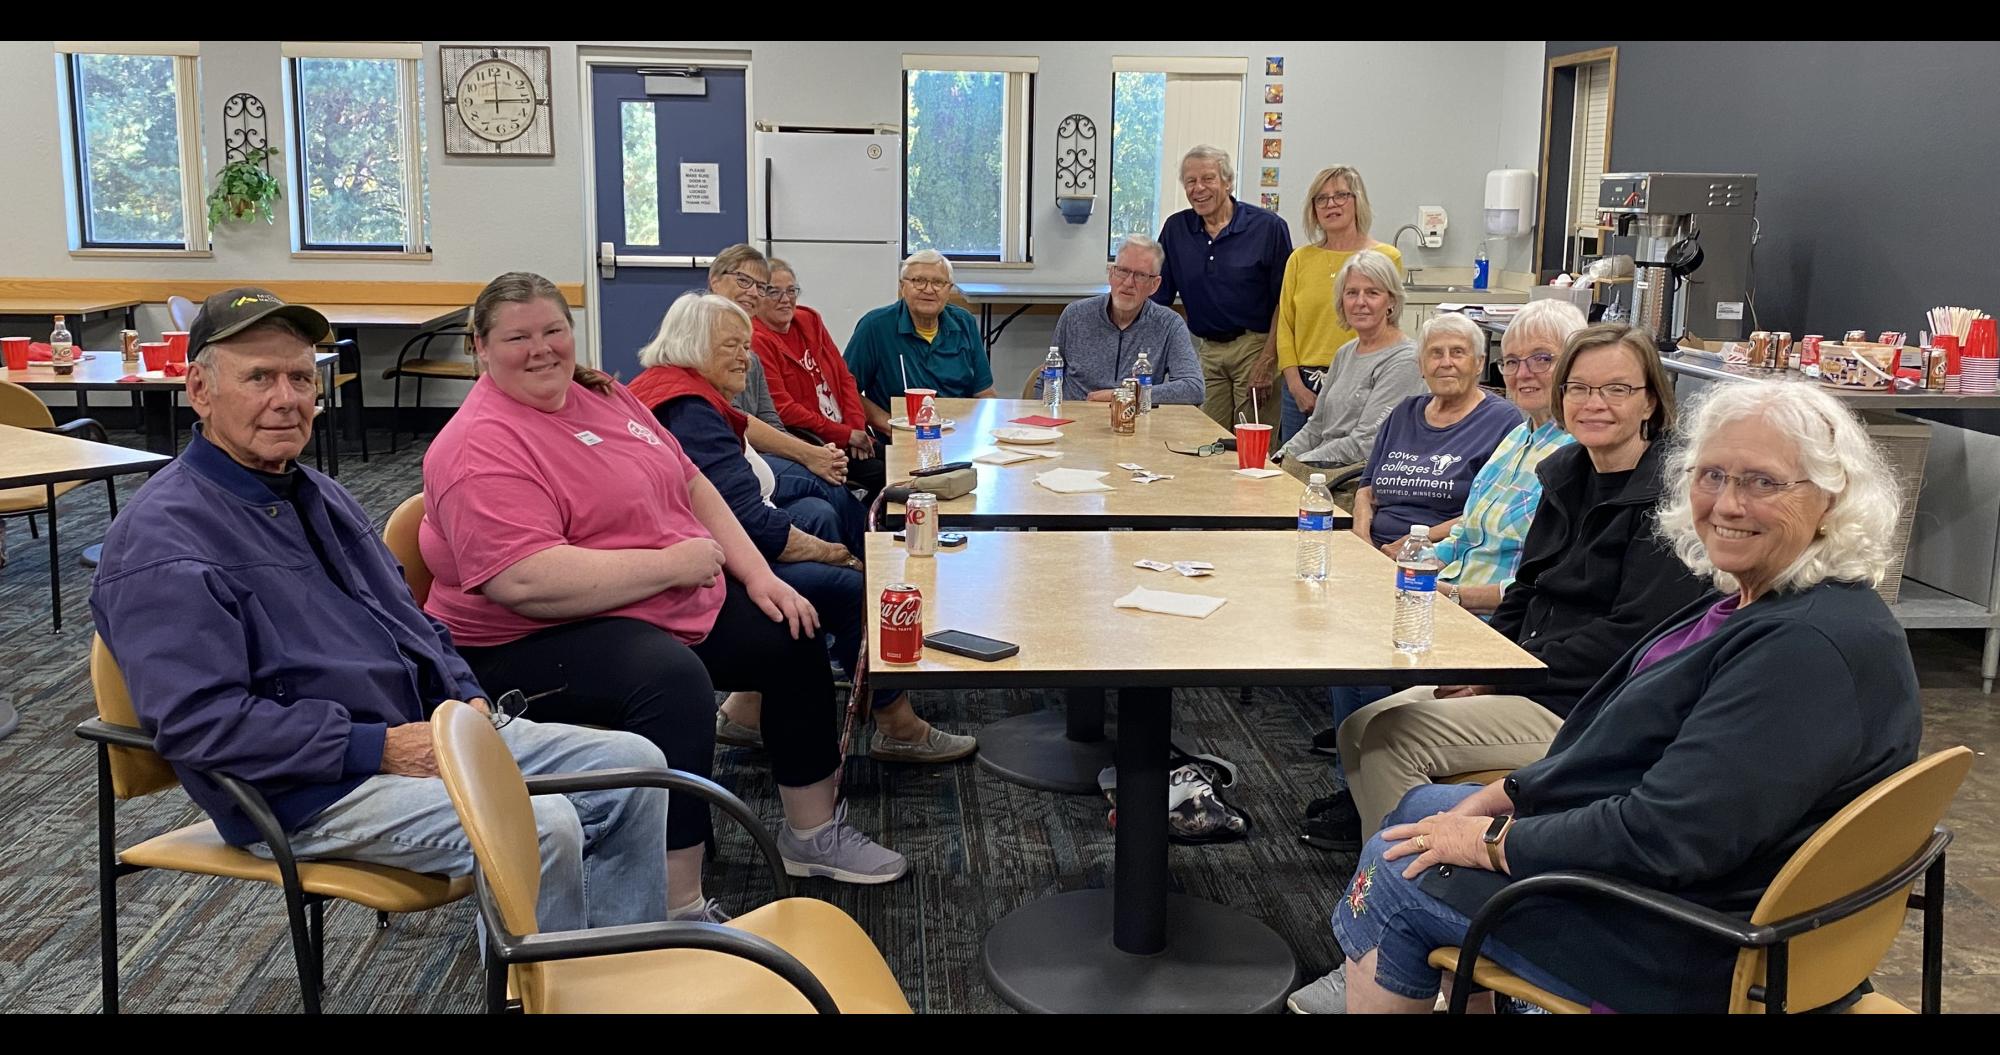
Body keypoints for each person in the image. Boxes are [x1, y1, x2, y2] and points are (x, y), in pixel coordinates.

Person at [1290, 380, 1920, 1014]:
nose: (1728, 503)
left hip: (1692, 937)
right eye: (1712, 475)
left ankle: (1392, 958)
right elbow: (1636, 748)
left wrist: (1487, 843)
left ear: (1832, 499)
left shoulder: (1805, 651)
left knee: (1400, 869)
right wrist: (1507, 794)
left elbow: (1665, 837)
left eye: (1763, 482)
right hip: (1695, 878)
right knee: (1422, 806)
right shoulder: (1760, 600)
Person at [89, 288, 672, 932]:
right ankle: (541, 996)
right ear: (200, 390)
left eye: (300, 378)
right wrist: (380, 748)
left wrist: (464, 696)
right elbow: (202, 725)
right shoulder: (163, 540)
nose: (286, 398)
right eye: (259, 378)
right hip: (304, 789)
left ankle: (616, 965)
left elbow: (412, 619)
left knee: (636, 767)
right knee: (541, 824)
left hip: (416, 734)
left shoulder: (318, 492)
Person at [421, 273, 908, 913]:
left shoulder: (601, 395)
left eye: (553, 331)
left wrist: (761, 578)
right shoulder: (479, 445)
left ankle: (812, 832)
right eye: (518, 338)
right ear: (480, 348)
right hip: (527, 638)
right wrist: (672, 565)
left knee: (793, 625)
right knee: (670, 682)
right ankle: (676, 901)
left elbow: (692, 481)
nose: (541, 350)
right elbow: (525, 582)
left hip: (647, 597)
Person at [1310, 324, 1712, 853]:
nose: (1595, 404)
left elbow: (1631, 639)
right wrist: (1486, 672)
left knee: (1391, 739)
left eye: (1616, 389)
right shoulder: (1567, 471)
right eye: (1579, 389)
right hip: (1531, 676)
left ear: (1651, 402)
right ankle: (1400, 868)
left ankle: (1410, 881)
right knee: (1358, 726)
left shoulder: (1671, 500)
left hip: (1593, 706)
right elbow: (1526, 586)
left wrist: (1505, 677)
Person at [632, 292, 977, 764]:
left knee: (825, 516)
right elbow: (751, 525)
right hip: (698, 574)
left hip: (703, 548)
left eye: (747, 345)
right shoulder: (688, 409)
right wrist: (830, 553)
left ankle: (747, 710)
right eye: (730, 345)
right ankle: (896, 724)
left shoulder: (668, 388)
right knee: (854, 586)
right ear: (691, 345)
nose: (745, 357)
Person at [1300, 302, 1587, 847]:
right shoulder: (1519, 438)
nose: (1524, 373)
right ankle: (1367, 819)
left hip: (1486, 624)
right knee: (1343, 621)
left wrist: (1444, 589)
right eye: (1517, 360)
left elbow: (1539, 588)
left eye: (1542, 360)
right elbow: (1468, 530)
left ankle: (1386, 860)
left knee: (1364, 664)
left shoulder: (1575, 458)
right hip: (1450, 593)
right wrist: (1415, 560)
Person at [705, 244, 861, 513]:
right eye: (743, 280)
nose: (752, 292)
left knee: (818, 511)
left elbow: (770, 416)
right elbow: (737, 419)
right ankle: (863, 551)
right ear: (715, 281)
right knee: (828, 483)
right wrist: (809, 454)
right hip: (726, 459)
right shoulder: (705, 335)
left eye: (760, 286)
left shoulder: (748, 346)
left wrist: (815, 452)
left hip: (763, 453)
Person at [1349, 313, 1523, 548]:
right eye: (1436, 353)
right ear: (1421, 365)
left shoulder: (1501, 420)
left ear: (1479, 363)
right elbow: (1367, 489)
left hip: (1442, 554)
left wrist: (1417, 542)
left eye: (1458, 352)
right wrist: (1361, 539)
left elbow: (1490, 512)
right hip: (1375, 549)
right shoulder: (1404, 413)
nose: (1446, 362)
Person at [1153, 144, 1293, 429]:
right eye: (1190, 181)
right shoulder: (1176, 229)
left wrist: (1268, 360)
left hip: (1256, 347)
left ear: (1228, 182)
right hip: (1207, 350)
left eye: (1208, 179)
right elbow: (1158, 297)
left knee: (1251, 444)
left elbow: (1286, 301)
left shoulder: (1268, 228)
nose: (1198, 188)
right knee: (1205, 441)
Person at [1274, 166, 1404, 443]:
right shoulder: (1299, 259)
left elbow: (1388, 326)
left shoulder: (1385, 257)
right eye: (1321, 198)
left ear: (1358, 201)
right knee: (1293, 471)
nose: (1331, 204)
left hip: (1358, 381)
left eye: (1341, 195)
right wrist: (1295, 385)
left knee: (1345, 468)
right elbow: (1286, 324)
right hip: (1301, 383)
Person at [751, 257, 886, 501]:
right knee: (884, 474)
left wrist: (855, 428)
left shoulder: (809, 320)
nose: (785, 299)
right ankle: (872, 534)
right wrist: (843, 435)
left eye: (791, 291)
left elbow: (845, 378)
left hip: (849, 431)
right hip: (815, 442)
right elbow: (783, 409)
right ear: (758, 295)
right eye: (774, 292)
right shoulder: (756, 339)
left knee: (900, 462)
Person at [1273, 250, 1419, 471]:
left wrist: (1295, 467)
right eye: (1351, 293)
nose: (1360, 302)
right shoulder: (1345, 353)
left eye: (1372, 293)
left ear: (1391, 301)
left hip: (1357, 479)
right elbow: (1316, 428)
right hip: (1320, 469)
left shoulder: (1405, 360)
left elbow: (1365, 444)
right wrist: (1277, 459)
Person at [844, 250, 996, 434]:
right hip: (900, 437)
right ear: (902, 286)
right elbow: (846, 390)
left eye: (938, 282)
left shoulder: (965, 323)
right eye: (918, 281)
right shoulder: (875, 327)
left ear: (949, 289)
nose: (929, 289)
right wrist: (891, 427)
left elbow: (984, 393)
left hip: (958, 435)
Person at [1038, 234, 1202, 405]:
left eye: (1140, 275)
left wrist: (1124, 394)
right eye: (1123, 271)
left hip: (1136, 424)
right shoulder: (1075, 315)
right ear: (1111, 274)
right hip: (1076, 421)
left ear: (1155, 285)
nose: (1129, 282)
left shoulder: (1169, 325)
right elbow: (1046, 378)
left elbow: (1193, 388)